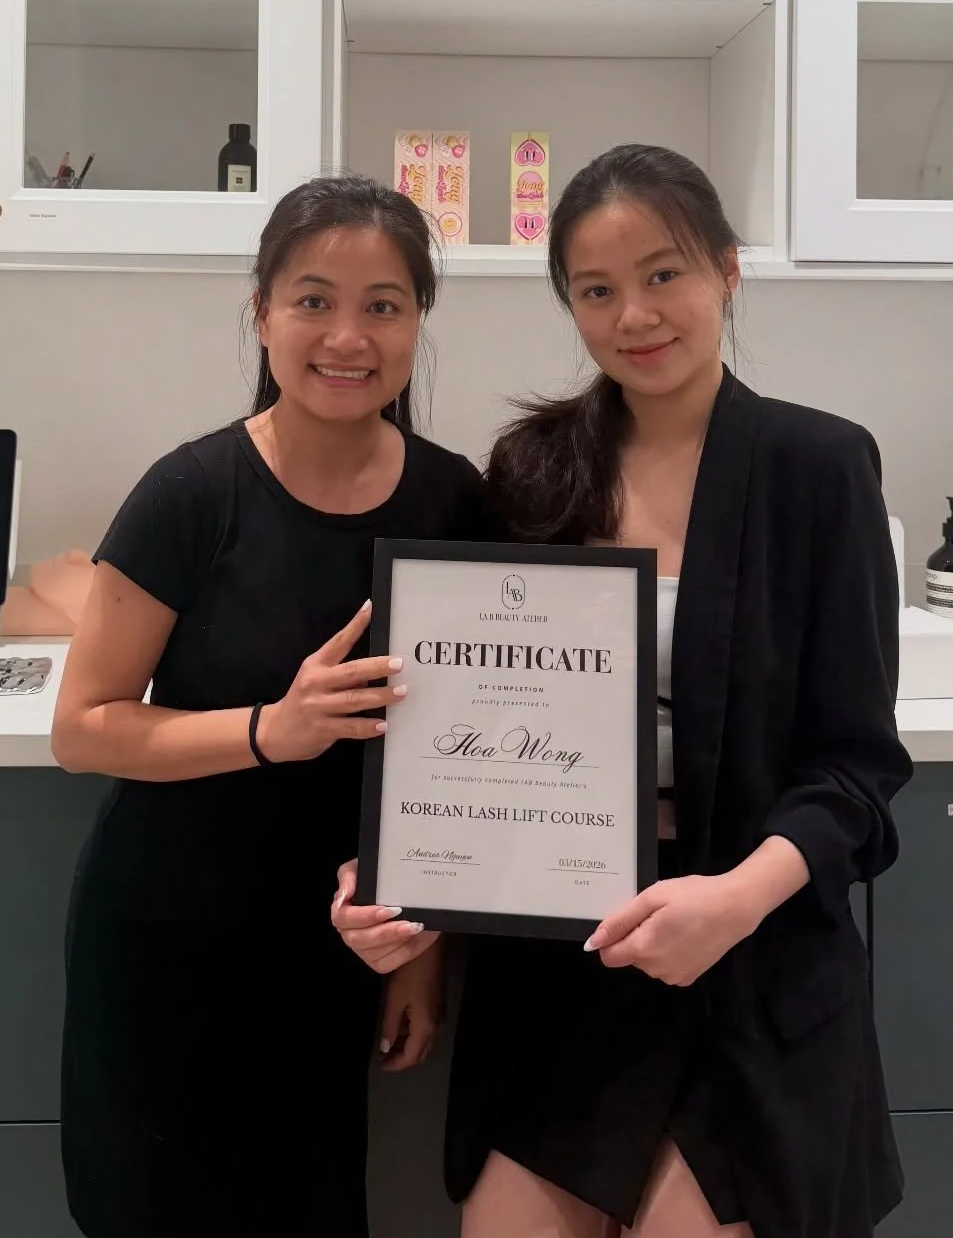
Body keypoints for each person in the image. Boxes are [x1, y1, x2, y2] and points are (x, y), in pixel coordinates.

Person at [334, 143, 912, 1238]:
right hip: (562, 952)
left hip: (748, 956)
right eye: (597, 290)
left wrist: (733, 901)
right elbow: (460, 717)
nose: (634, 316)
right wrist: (407, 876)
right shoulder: (534, 469)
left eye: (663, 274)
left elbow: (856, 769)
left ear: (726, 271)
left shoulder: (819, 467)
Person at [54, 175, 486, 1238]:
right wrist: (269, 730)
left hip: (338, 950)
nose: (347, 336)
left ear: (419, 321)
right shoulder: (192, 493)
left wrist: (423, 953)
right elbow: (84, 726)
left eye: (383, 305)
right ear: (261, 312)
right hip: (171, 940)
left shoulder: (455, 502)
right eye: (313, 301)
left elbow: (455, 759)